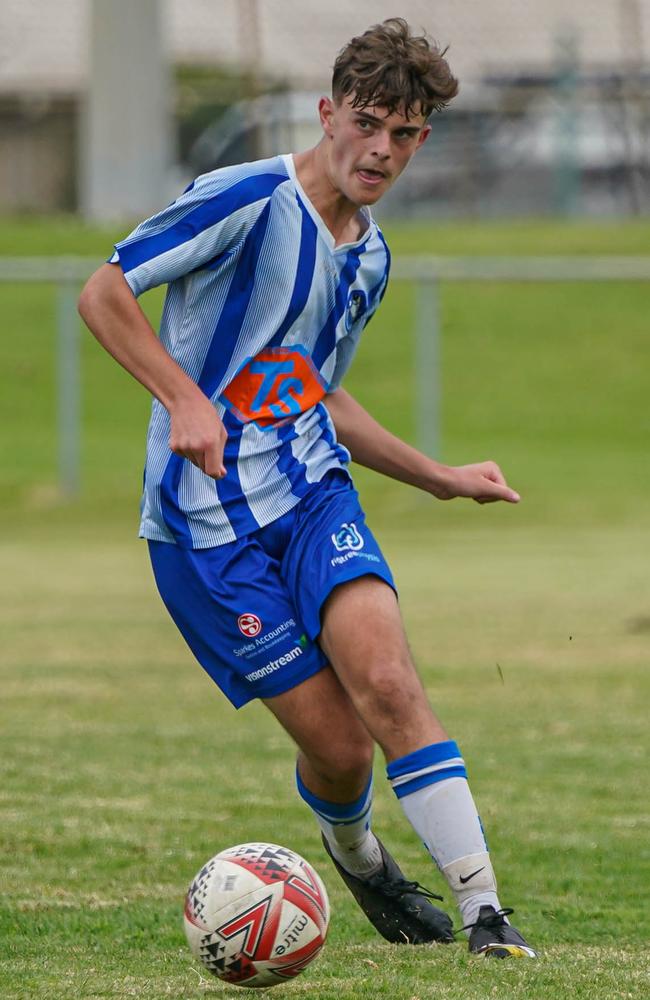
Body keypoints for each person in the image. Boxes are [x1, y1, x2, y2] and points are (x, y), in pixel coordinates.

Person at [79, 18, 536, 959]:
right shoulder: (245, 198)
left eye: (403, 134)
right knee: (341, 751)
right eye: (366, 123)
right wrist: (183, 397)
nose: (380, 150)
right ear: (328, 114)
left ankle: (487, 915)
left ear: (423, 138)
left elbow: (317, 392)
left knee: (388, 679)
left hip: (310, 495)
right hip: (204, 532)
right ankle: (361, 860)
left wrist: (439, 477)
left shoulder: (369, 254)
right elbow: (103, 292)